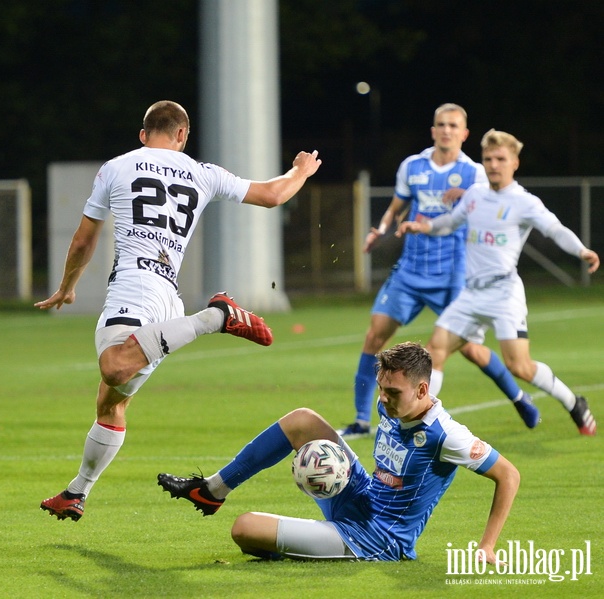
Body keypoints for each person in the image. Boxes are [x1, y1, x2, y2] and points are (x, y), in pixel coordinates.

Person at [36, 100, 322, 521]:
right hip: (168, 299)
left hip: (135, 285)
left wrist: (66, 287)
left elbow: (83, 240)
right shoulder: (203, 172)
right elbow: (272, 194)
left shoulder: (117, 166)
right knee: (110, 405)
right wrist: (301, 170)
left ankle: (217, 317)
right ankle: (77, 492)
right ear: (183, 136)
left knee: (113, 367)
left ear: (143, 134)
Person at [158, 342, 520, 562]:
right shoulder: (389, 407)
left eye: (393, 393)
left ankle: (313, 545)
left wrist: (487, 545)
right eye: (381, 389)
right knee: (303, 420)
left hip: (378, 536)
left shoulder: (448, 436)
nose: (383, 399)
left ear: (423, 391)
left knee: (245, 528)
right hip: (361, 494)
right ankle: (211, 491)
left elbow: (509, 475)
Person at [339, 104, 533, 439]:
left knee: (471, 349)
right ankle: (360, 419)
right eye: (440, 124)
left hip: (454, 275)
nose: (446, 130)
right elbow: (396, 208)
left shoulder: (474, 173)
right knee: (374, 335)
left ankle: (518, 397)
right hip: (411, 271)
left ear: (464, 133)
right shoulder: (412, 167)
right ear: (432, 130)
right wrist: (381, 228)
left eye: (453, 125)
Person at [397, 129, 599, 436]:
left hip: (504, 292)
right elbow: (449, 223)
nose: (493, 164)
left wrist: (581, 250)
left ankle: (574, 403)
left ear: (514, 162)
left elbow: (555, 230)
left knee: (520, 366)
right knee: (435, 352)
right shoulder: (475, 195)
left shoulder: (524, 202)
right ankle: (425, 426)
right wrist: (423, 227)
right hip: (471, 294)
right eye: (488, 159)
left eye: (500, 159)